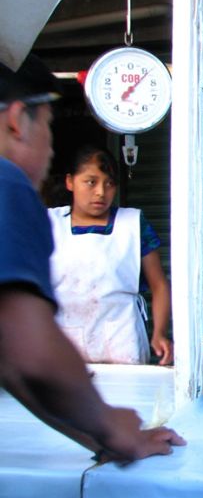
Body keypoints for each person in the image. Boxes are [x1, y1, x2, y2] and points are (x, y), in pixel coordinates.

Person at [0, 54, 184, 462]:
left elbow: (11, 362)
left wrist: (100, 436)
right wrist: (111, 427)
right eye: (48, 126)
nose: (49, 148)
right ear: (16, 120)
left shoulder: (131, 224)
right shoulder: (7, 186)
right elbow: (29, 350)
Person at [49, 145, 173, 365]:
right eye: (91, 182)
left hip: (123, 341)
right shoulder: (48, 224)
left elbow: (159, 285)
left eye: (109, 184)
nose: (100, 192)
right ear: (70, 182)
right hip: (64, 342)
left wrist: (159, 332)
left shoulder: (133, 224)